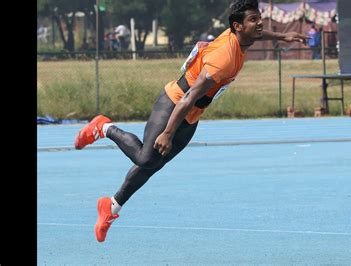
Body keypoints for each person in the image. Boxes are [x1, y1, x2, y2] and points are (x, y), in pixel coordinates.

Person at [74, 0, 308, 243]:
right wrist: (167, 132)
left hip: (192, 115)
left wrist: (283, 36)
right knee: (145, 157)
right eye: (253, 19)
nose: (259, 23)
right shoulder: (224, 58)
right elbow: (187, 98)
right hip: (175, 102)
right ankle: (103, 127)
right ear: (238, 26)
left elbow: (257, 33)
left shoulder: (241, 36)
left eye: (259, 17)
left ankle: (110, 208)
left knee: (153, 165)